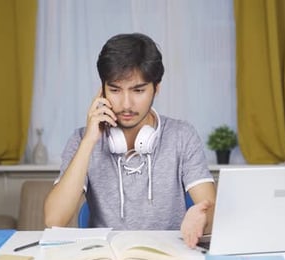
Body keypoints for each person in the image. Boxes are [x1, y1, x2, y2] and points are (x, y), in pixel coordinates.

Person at [44, 33, 216, 248]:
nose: (126, 104)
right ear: (102, 90)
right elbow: (54, 220)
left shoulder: (182, 135)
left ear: (156, 88)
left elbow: (211, 210)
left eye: (138, 90)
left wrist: (202, 218)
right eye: (115, 90)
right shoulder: (81, 139)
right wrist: (89, 141)